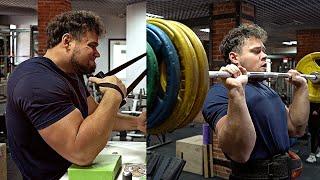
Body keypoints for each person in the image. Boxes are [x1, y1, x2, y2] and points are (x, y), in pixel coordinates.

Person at [5, 11, 146, 180]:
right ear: (67, 41)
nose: (97, 53)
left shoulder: (71, 73)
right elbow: (82, 153)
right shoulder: (37, 82)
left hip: (74, 171)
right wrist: (113, 95)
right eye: (92, 46)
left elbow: (94, 116)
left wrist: (137, 123)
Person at [202, 24, 309, 179]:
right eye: (256, 51)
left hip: (284, 174)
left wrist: (302, 88)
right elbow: (239, 153)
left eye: (264, 51)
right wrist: (237, 92)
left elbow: (295, 128)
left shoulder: (267, 89)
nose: (264, 56)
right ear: (234, 57)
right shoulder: (219, 94)